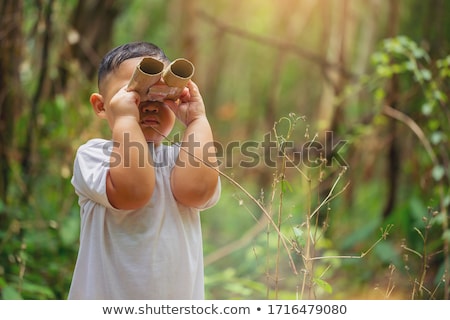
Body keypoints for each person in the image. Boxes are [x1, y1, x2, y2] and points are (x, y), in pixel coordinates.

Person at [68, 42, 221, 299]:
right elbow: (133, 192)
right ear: (102, 106)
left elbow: (196, 191)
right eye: (135, 94)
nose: (149, 105)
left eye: (162, 96)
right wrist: (127, 119)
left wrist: (197, 119)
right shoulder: (94, 156)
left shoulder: (180, 158)